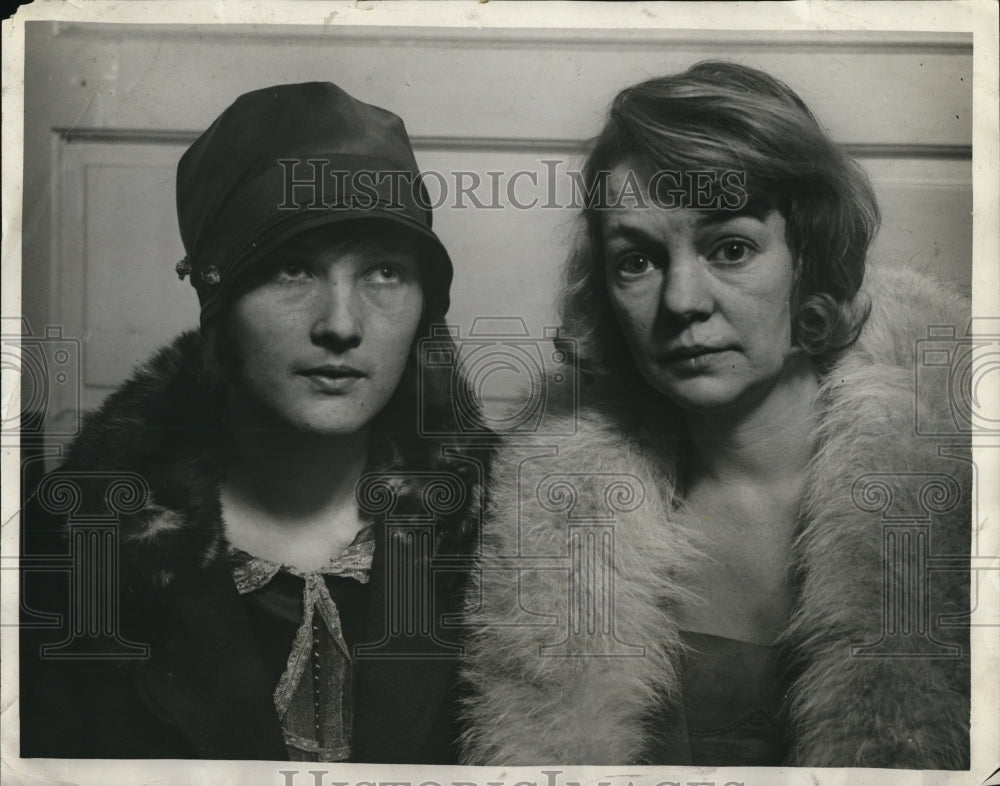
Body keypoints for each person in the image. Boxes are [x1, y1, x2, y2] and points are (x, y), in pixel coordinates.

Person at [460, 61, 970, 768]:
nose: (682, 302)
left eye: (730, 248)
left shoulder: (965, 485)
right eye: (637, 261)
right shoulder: (542, 521)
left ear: (810, 256)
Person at [20, 82, 485, 763]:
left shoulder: (507, 537)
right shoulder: (68, 550)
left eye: (385, 272)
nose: (341, 325)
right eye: (291, 269)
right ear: (217, 297)